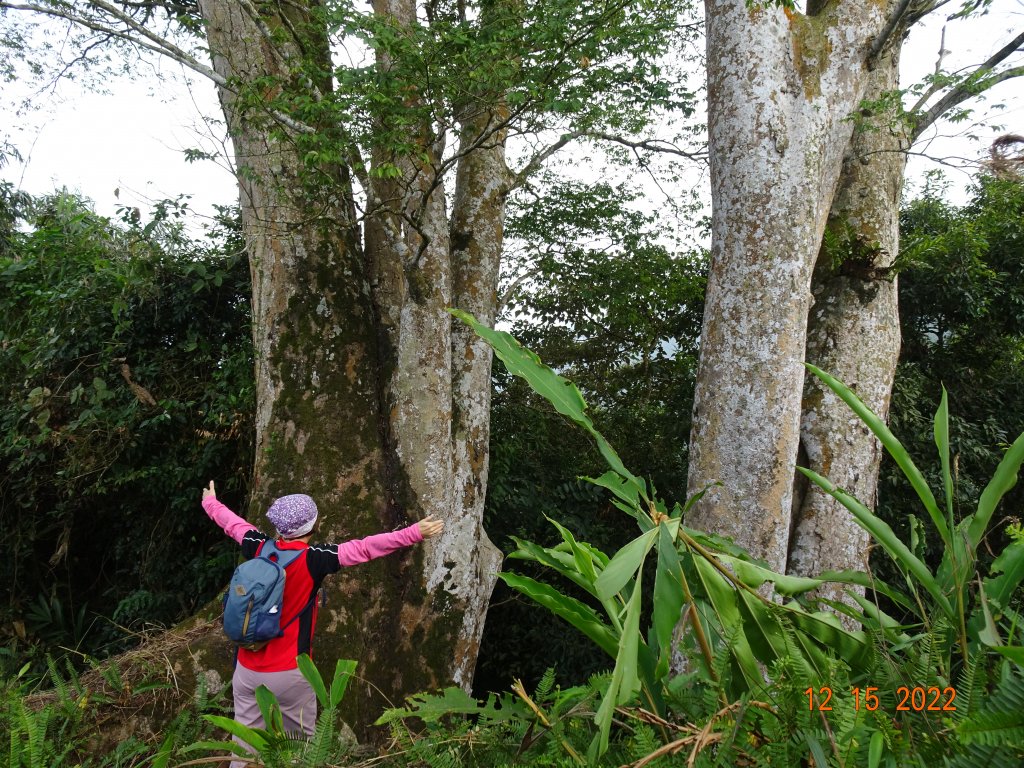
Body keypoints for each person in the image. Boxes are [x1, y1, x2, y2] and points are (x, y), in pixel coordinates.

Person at [200, 480, 443, 763]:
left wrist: (210, 502)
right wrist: (414, 532)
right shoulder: (314, 560)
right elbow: (364, 548)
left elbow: (233, 524)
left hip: (245, 670)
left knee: (244, 750)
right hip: (289, 672)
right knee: (300, 754)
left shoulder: (256, 546)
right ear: (312, 527)